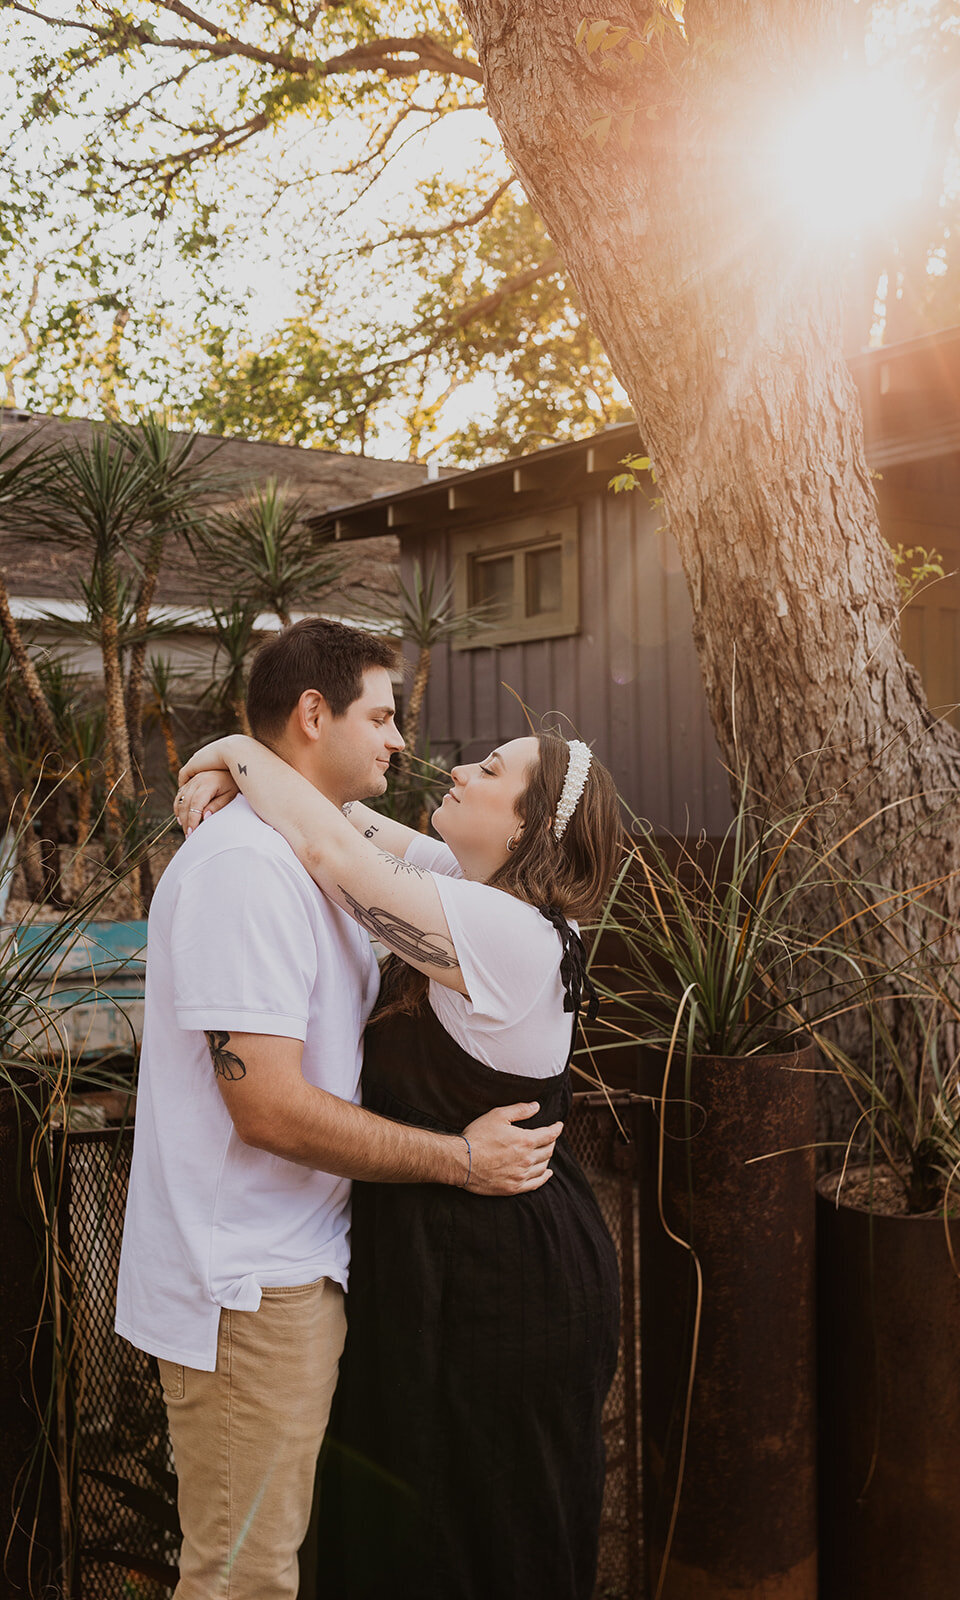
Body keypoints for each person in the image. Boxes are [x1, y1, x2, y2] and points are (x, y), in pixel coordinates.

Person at [115, 619, 561, 1600]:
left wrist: (231, 751)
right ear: (313, 715)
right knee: (244, 1579)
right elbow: (266, 1108)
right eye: (381, 714)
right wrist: (457, 1158)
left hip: (307, 1263)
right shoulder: (247, 867)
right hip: (247, 1283)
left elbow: (347, 844)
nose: (401, 741)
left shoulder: (328, 859)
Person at [175, 719, 624, 1600]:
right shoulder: (474, 888)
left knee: (476, 1517)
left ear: (528, 827)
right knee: (430, 1507)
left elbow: (328, 845)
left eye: (489, 769)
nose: (459, 767)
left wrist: (229, 746)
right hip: (466, 1237)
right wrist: (233, 769)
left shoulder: (507, 932)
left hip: (498, 1263)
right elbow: (337, 811)